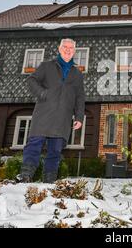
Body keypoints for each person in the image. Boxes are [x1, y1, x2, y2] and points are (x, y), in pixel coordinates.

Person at [17, 38, 85, 183]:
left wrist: (79, 117)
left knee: (55, 150)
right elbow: (31, 80)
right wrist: (42, 93)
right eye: (65, 47)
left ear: (74, 51)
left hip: (63, 117)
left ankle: (49, 180)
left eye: (71, 48)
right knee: (34, 144)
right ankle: (25, 176)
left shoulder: (77, 74)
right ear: (59, 49)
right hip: (44, 113)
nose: (68, 49)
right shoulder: (47, 66)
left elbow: (80, 97)